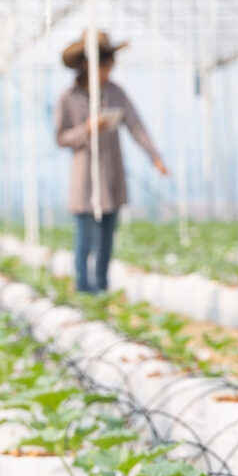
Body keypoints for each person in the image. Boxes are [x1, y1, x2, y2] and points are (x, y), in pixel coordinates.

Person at [55, 30, 167, 294]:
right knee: (85, 237)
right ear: (87, 65)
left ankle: (101, 287)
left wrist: (155, 156)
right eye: (105, 66)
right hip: (84, 178)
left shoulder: (116, 93)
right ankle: (84, 289)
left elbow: (136, 126)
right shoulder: (68, 97)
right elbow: (61, 138)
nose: (109, 72)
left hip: (111, 174)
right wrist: (87, 129)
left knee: (106, 237)